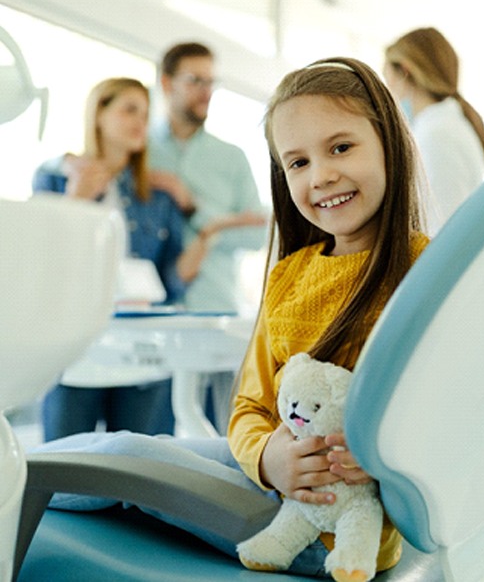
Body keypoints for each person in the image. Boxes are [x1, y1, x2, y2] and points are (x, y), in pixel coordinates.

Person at [35, 57, 429, 577]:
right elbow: (249, 405)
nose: (322, 175)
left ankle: (17, 480)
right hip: (273, 477)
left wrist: (384, 459)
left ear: (389, 144)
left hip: (318, 531)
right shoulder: (290, 275)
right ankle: (17, 475)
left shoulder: (424, 269)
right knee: (140, 447)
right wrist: (268, 457)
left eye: (340, 147)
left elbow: (445, 412)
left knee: (128, 454)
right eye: (297, 163)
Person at [32, 77, 211, 441]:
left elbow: (169, 281)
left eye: (146, 114)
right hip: (76, 348)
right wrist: (77, 199)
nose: (140, 123)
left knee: (140, 472)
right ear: (99, 113)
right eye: (129, 110)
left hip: (144, 347)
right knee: (63, 470)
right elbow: (41, 262)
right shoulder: (55, 177)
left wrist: (206, 235)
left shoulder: (158, 195)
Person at [148, 42, 268, 435]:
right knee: (154, 440)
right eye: (195, 80)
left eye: (211, 82)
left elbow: (258, 231)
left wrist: (202, 218)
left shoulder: (231, 157)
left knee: (225, 438)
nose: (205, 92)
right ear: (167, 83)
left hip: (215, 313)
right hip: (152, 315)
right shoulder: (140, 150)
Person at [384, 27, 484, 235]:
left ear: (405, 71)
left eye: (389, 80)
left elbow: (442, 227)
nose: (390, 93)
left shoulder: (437, 134)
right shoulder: (442, 125)